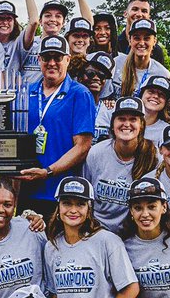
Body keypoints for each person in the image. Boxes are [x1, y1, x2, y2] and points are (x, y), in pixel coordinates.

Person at [16, 36, 95, 219]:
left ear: (67, 60)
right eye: (46, 57)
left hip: (62, 193)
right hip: (27, 190)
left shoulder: (79, 94)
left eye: (57, 58)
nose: (52, 63)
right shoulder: (27, 92)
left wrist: (48, 172)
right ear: (39, 60)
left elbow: (82, 146)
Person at [82, 96, 158, 233]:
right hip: (97, 230)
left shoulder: (153, 156)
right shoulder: (96, 152)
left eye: (133, 119)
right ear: (112, 124)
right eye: (121, 119)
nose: (127, 124)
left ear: (141, 125)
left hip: (134, 233)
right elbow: (87, 198)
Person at [20, 0, 92, 85]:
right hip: (27, 97)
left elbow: (88, 23)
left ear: (63, 23)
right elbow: (32, 22)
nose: (53, 19)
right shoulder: (30, 42)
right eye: (48, 15)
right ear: (40, 21)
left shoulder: (64, 45)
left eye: (58, 16)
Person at [112, 17, 170, 99]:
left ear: (154, 41)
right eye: (137, 38)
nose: (142, 43)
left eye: (147, 38)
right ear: (130, 40)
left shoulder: (162, 73)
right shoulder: (116, 63)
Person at [113, 0, 168, 65]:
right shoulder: (114, 45)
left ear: (149, 16)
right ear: (125, 13)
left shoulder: (156, 50)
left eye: (144, 11)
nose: (139, 14)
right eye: (135, 9)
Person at [80, 51, 117, 143]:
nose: (96, 78)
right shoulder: (70, 105)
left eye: (101, 75)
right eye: (91, 73)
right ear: (81, 76)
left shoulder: (111, 109)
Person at [139, 75, 170, 146]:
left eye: (161, 94)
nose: (155, 96)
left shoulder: (166, 130)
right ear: (141, 94)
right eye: (151, 92)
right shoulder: (123, 119)